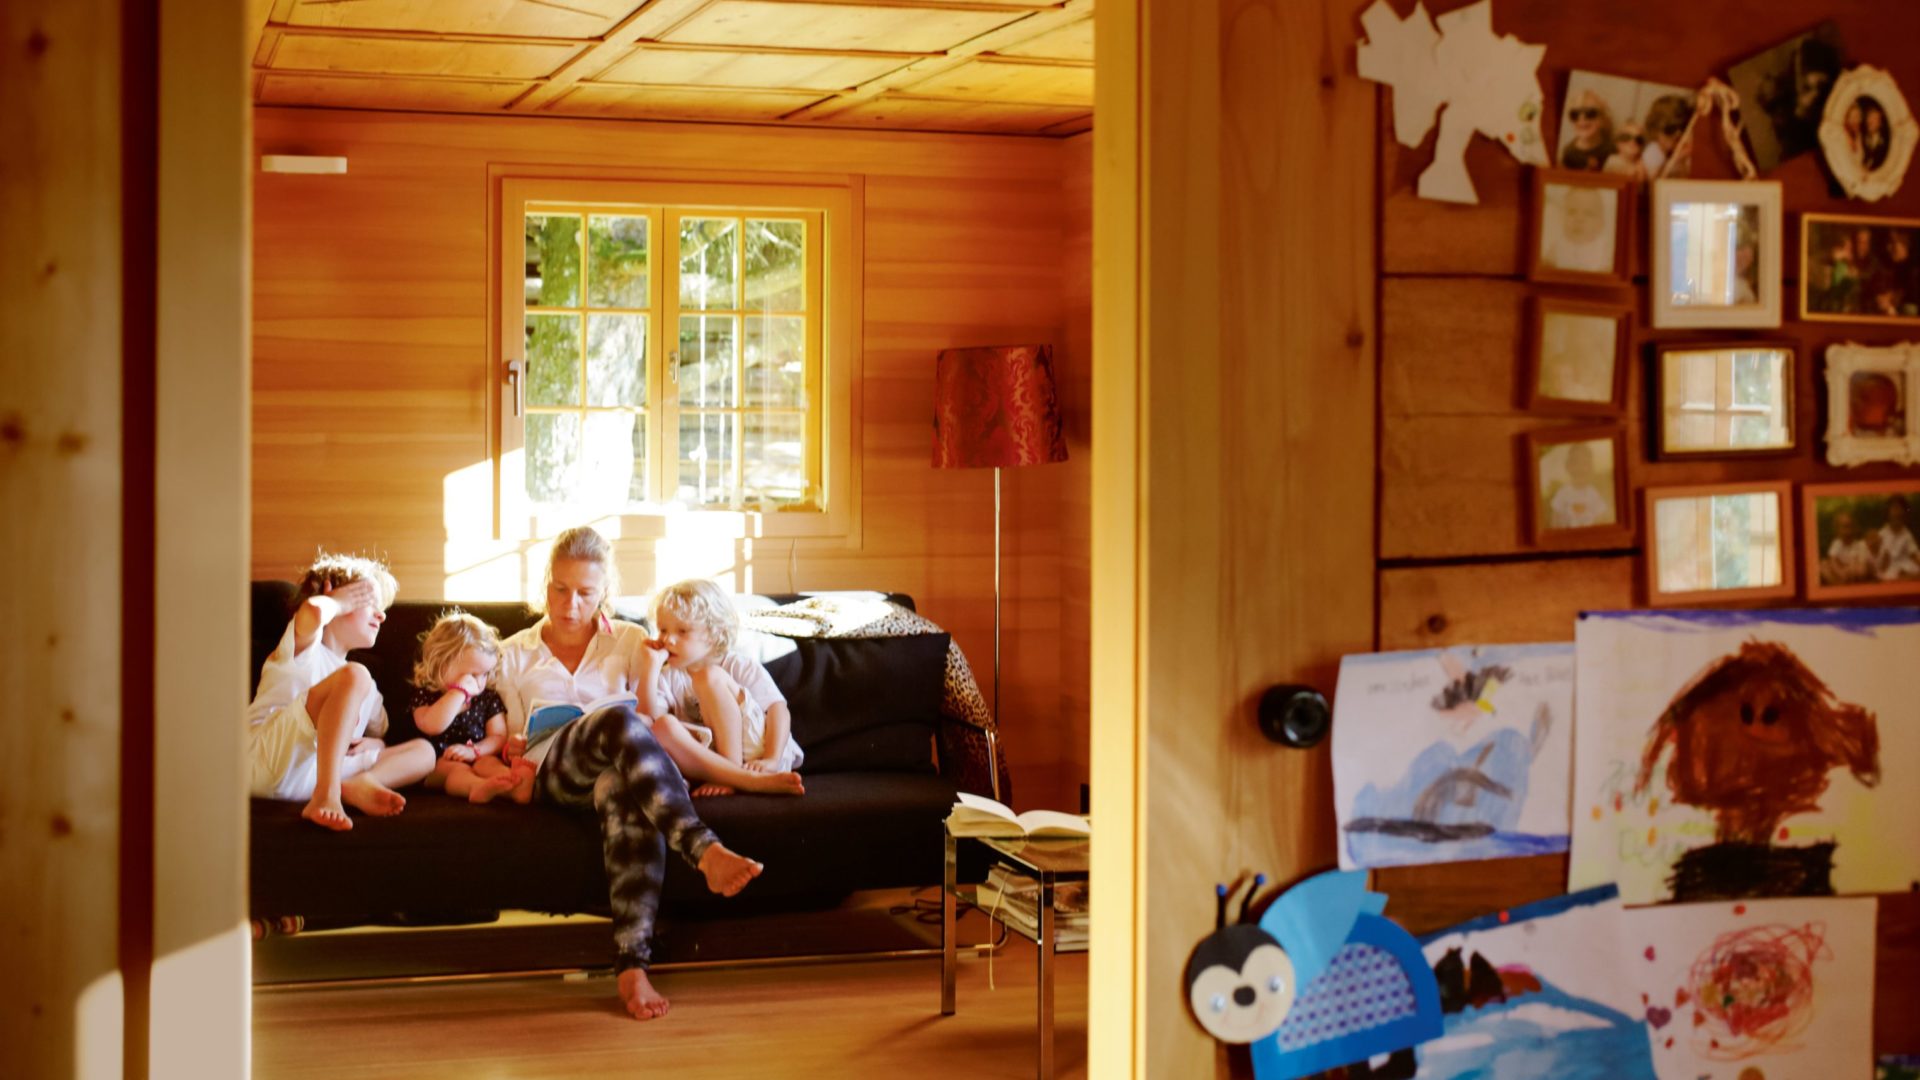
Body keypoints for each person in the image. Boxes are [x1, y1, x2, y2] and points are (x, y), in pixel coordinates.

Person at [495, 526, 794, 1019]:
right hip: (554, 771)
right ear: (546, 583)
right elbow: (507, 734)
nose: (570, 604)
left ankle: (632, 966)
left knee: (621, 786)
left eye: (585, 592)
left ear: (604, 592)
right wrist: (509, 749)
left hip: (619, 770)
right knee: (616, 719)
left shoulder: (633, 640)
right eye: (560, 589)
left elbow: (654, 719)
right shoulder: (512, 653)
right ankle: (704, 848)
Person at [247, 554, 436, 830]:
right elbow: (312, 612)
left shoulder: (368, 688)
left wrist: (378, 745)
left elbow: (380, 732)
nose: (382, 615)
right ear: (332, 596)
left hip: (313, 776)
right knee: (355, 675)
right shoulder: (302, 649)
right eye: (369, 603)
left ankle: (358, 784)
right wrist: (336, 602)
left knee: (424, 752)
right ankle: (327, 795)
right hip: (263, 760)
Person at [646, 579, 803, 797]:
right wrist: (650, 669)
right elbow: (648, 722)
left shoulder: (738, 665)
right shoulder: (667, 676)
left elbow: (778, 710)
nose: (668, 639)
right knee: (661, 726)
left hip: (756, 753)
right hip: (709, 761)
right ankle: (735, 777)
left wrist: (772, 758)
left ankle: (737, 774)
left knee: (708, 676)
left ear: (714, 634)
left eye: (682, 631)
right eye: (662, 630)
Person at [411, 611, 533, 804]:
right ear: (441, 665)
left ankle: (515, 783)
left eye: (484, 674)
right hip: (436, 762)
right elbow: (432, 725)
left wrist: (475, 751)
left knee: (489, 764)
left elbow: (498, 736)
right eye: (472, 675)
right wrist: (457, 693)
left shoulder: (486, 698)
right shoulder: (426, 695)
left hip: (478, 754)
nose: (479, 683)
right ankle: (476, 787)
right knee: (458, 770)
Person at [1540, 185, 1614, 275]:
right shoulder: (1556, 249)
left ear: (1600, 223)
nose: (1579, 219)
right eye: (1572, 212)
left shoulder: (1604, 251)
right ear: (1562, 218)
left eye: (1588, 213)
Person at [1546, 442, 1611, 529]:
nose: (1580, 468)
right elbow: (1555, 518)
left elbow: (1601, 517)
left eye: (1585, 464)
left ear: (1591, 468)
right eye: (1575, 463)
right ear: (1569, 467)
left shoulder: (1593, 493)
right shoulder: (1563, 493)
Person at [1558, 89, 1614, 171]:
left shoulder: (1611, 150)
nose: (1582, 119)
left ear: (1602, 119)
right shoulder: (1568, 153)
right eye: (1575, 115)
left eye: (1590, 113)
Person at [1642, 94, 1695, 178]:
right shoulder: (1653, 151)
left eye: (1682, 127)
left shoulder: (1687, 147)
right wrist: (1677, 160)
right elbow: (1654, 181)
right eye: (1670, 129)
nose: (1678, 134)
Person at [1821, 510, 1875, 585]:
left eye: (1850, 526)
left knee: (1859, 568)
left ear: (1855, 528)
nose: (1847, 531)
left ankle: (1843, 583)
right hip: (1842, 570)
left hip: (1856, 569)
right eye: (1844, 527)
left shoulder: (1860, 545)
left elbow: (1863, 566)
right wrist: (1840, 572)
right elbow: (1833, 560)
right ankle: (1837, 584)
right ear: (1837, 530)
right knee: (1823, 565)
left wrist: (1849, 569)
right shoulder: (1837, 543)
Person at [1875, 496, 1920, 581]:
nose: (1898, 512)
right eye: (1895, 508)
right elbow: (1880, 563)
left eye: (1901, 509)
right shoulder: (1882, 534)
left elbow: (1914, 554)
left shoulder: (1906, 533)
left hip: (1905, 566)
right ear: (1888, 514)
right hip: (1889, 569)